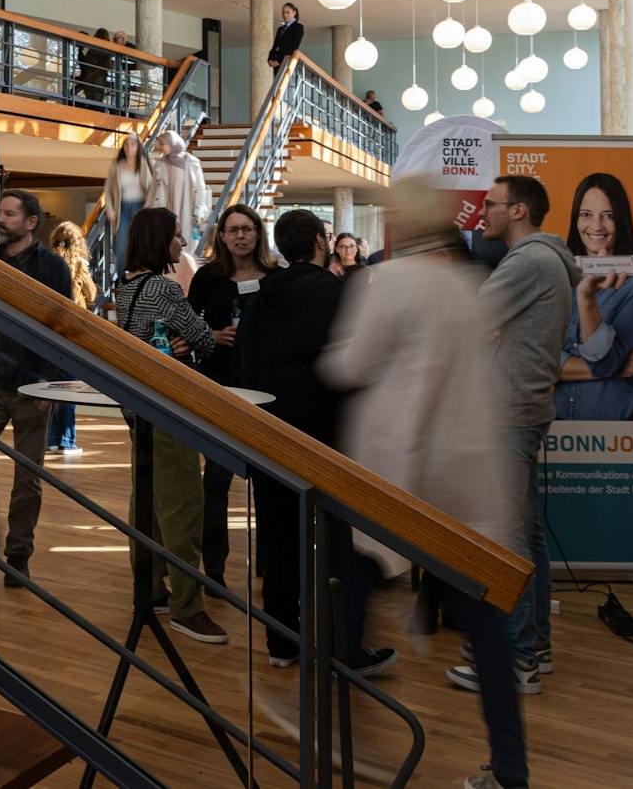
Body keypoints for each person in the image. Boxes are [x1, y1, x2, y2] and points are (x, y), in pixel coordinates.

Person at [319, 178, 528, 789]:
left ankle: (341, 738)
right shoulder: (469, 288)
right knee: (487, 636)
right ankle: (510, 769)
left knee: (351, 600)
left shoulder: (388, 282)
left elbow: (345, 365)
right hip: (465, 480)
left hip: (400, 479)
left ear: (397, 224)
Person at [234, 208, 393, 675]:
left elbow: (243, 369)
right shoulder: (340, 295)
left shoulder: (259, 301)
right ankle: (345, 645)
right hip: (330, 440)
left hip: (271, 438)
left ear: (281, 249)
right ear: (322, 245)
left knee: (279, 543)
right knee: (340, 543)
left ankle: (282, 642)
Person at [451, 175, 579, 694]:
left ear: (519, 210)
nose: (483, 211)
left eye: (492, 204)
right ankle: (535, 646)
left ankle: (516, 658)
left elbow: (467, 322)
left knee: (504, 540)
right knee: (524, 537)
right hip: (524, 407)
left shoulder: (527, 262)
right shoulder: (547, 261)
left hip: (506, 411)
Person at [114, 206, 226, 644]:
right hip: (165, 408)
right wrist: (200, 337)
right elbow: (199, 338)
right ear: (161, 240)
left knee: (146, 503)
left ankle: (151, 588)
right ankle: (187, 607)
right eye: (177, 236)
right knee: (182, 505)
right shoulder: (162, 285)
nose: (182, 243)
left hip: (135, 408)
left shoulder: (125, 284)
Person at [0, 189, 72, 586]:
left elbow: (63, 327)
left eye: (10, 214)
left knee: (28, 477)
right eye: (0, 213)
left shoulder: (54, 268)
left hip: (34, 387)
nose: (1, 219)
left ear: (30, 222)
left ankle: (18, 553)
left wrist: (48, 383)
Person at [187, 202, 274, 593]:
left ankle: (272, 561)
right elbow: (190, 323)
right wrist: (212, 335)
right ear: (222, 236)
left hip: (265, 386)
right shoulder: (209, 278)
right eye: (233, 229)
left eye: (247, 228)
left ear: (258, 233)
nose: (240, 235)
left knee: (270, 481)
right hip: (218, 383)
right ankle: (214, 569)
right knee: (217, 481)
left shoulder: (276, 277)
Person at [557, 172, 633, 421]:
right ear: (576, 219)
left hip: (621, 430)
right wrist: (617, 367)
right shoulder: (556, 278)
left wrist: (586, 299)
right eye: (586, 214)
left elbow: (602, 362)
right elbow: (534, 363)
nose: (596, 226)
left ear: (621, 221)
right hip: (559, 430)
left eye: (608, 216)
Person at [44, 220, 97, 457]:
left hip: (48, 331)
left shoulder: (45, 262)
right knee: (70, 386)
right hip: (73, 332)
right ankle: (65, 440)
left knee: (50, 386)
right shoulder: (78, 264)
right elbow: (92, 293)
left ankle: (50, 439)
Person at [149, 129, 210, 285]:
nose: (162, 148)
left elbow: (201, 189)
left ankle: (188, 281)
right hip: (166, 210)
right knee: (164, 244)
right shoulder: (160, 164)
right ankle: (166, 279)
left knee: (185, 245)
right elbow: (153, 191)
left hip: (186, 210)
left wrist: (198, 211)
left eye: (163, 144)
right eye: (161, 144)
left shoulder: (192, 162)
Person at [102, 135, 156, 286]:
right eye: (126, 144)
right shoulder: (116, 165)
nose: (129, 147)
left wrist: (148, 208)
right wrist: (111, 211)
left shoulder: (144, 163)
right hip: (122, 208)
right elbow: (108, 190)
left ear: (138, 147)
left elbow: (152, 188)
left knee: (140, 244)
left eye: (133, 144)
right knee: (121, 246)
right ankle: (122, 281)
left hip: (140, 208)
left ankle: (140, 280)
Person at [77, 28, 113, 107]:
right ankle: (96, 108)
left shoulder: (92, 46)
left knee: (90, 93)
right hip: (100, 74)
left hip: (89, 73)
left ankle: (91, 107)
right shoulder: (107, 46)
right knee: (98, 94)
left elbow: (87, 60)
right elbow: (108, 61)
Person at [266, 2, 305, 70]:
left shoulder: (298, 27)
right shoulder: (280, 29)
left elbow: (293, 47)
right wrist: (270, 59)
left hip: (286, 62)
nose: (285, 15)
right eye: (283, 13)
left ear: (294, 12)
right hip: (276, 63)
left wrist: (280, 61)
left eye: (287, 12)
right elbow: (275, 46)